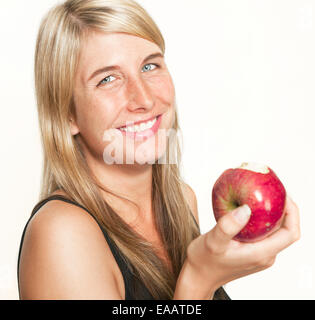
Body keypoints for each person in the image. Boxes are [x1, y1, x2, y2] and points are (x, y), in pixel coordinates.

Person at [17, 0, 300, 300]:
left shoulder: (181, 203)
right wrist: (199, 279)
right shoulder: (62, 235)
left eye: (149, 66)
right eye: (108, 79)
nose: (144, 99)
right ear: (67, 114)